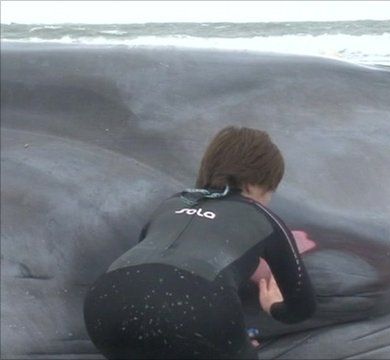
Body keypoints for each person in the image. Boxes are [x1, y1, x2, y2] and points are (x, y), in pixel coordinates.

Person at [83, 126, 316, 359]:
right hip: (195, 313)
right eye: (269, 192)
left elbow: (156, 267)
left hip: (106, 305)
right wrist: (272, 307)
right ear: (253, 185)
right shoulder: (263, 218)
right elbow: (302, 308)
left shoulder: (172, 203)